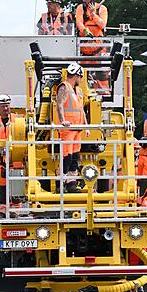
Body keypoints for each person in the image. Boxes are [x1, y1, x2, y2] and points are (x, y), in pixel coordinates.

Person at [54, 62, 90, 193]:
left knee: (75, 157)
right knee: (66, 157)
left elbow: (81, 110)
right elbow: (60, 105)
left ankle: (71, 183)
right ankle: (60, 184)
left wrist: (86, 127)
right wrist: (63, 121)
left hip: (77, 129)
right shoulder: (64, 87)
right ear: (76, 75)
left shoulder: (79, 91)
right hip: (68, 129)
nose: (81, 80)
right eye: (80, 77)